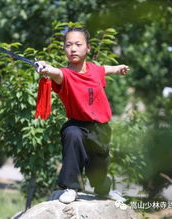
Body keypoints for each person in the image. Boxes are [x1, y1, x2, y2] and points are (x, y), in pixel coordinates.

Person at [35, 27, 129, 204]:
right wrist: (46, 67)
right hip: (77, 125)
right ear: (64, 50)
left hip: (100, 127)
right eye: (68, 45)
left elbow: (105, 69)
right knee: (71, 134)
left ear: (88, 48)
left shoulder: (95, 70)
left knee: (98, 168)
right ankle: (71, 187)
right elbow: (56, 72)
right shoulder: (65, 74)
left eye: (78, 44)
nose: (73, 49)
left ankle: (103, 190)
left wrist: (118, 69)